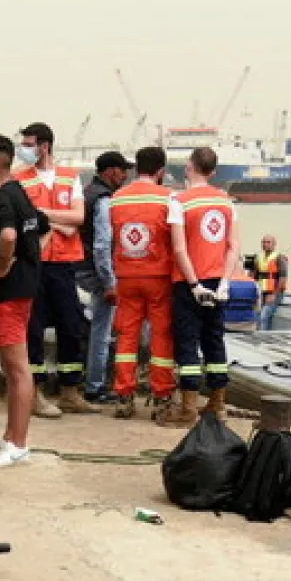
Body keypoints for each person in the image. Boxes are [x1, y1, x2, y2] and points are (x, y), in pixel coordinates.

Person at [0, 134, 47, 469]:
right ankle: (10, 436)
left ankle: (17, 444)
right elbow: (43, 228)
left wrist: (3, 266)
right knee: (10, 367)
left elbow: (8, 236)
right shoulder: (20, 194)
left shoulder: (4, 198)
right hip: (21, 291)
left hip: (7, 296)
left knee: (17, 370)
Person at [16, 122, 94, 417]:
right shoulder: (19, 179)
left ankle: (69, 392)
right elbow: (25, 219)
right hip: (33, 263)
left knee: (70, 325)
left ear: (44, 146)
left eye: (28, 144)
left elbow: (79, 217)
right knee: (33, 328)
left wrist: (45, 216)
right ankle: (34, 392)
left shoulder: (69, 178)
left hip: (63, 264)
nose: (24, 150)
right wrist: (63, 223)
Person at [108, 146, 191, 421]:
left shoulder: (117, 198)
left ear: (135, 168)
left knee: (126, 336)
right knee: (161, 336)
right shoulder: (170, 198)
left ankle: (123, 396)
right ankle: (162, 396)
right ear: (161, 172)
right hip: (158, 276)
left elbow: (110, 238)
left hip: (126, 276)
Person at [166, 146, 242, 427]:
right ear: (213, 171)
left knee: (187, 344)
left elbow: (179, 248)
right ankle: (218, 404)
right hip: (218, 280)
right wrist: (223, 283)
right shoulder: (226, 202)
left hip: (189, 283)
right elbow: (233, 247)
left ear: (190, 166)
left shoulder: (179, 201)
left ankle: (188, 408)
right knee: (215, 340)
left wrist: (194, 284)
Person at [79, 151, 130, 404]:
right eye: (122, 171)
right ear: (110, 171)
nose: (125, 175)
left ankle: (89, 380)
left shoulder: (87, 192)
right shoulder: (103, 199)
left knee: (94, 327)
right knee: (102, 329)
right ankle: (95, 386)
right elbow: (102, 244)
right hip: (96, 272)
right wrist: (109, 281)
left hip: (77, 267)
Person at [254, 234, 288, 329]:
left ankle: (261, 339)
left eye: (268, 242)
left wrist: (274, 294)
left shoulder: (280, 258)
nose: (265, 244)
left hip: (274, 293)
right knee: (258, 316)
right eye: (263, 242)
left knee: (263, 317)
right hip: (261, 292)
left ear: (274, 244)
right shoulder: (258, 257)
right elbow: (254, 276)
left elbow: (283, 278)